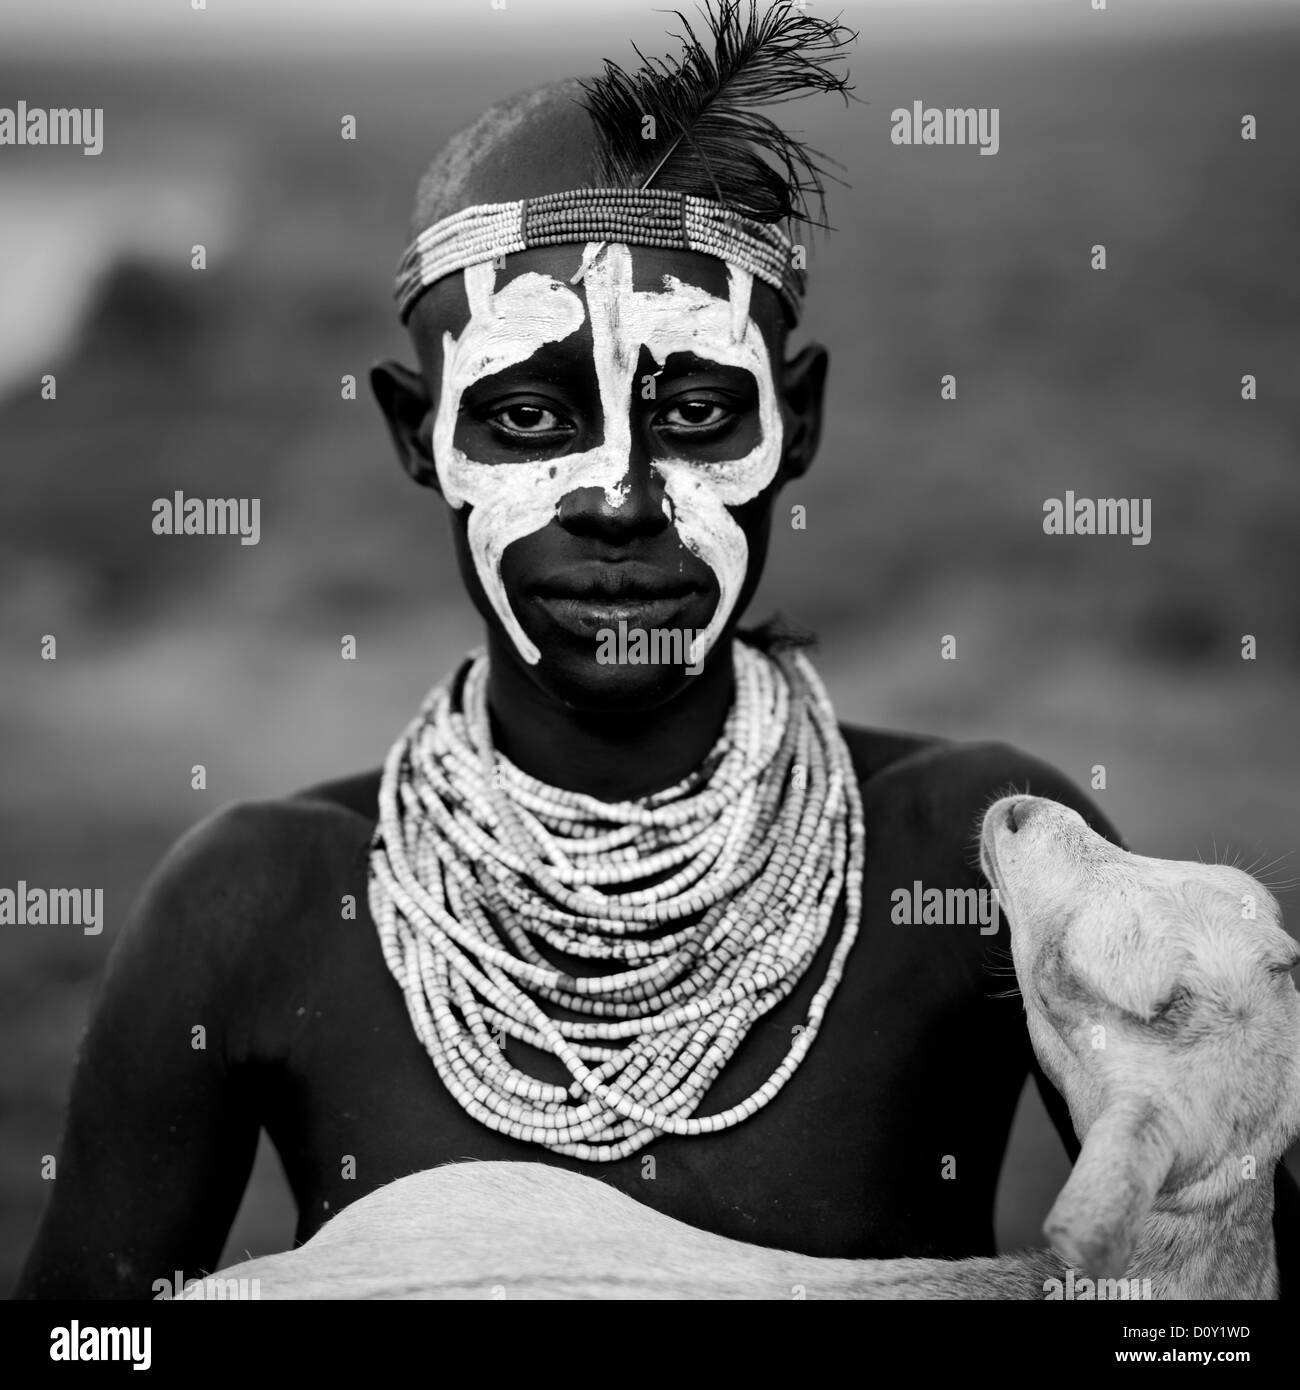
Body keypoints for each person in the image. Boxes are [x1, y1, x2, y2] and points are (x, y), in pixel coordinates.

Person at [17, 1, 1297, 1300]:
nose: (621, 497)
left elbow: (1216, 1299)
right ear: (419, 437)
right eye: (526, 415)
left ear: (794, 421)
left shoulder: (985, 856)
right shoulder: (253, 909)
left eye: (693, 408)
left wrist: (1223, 1158)